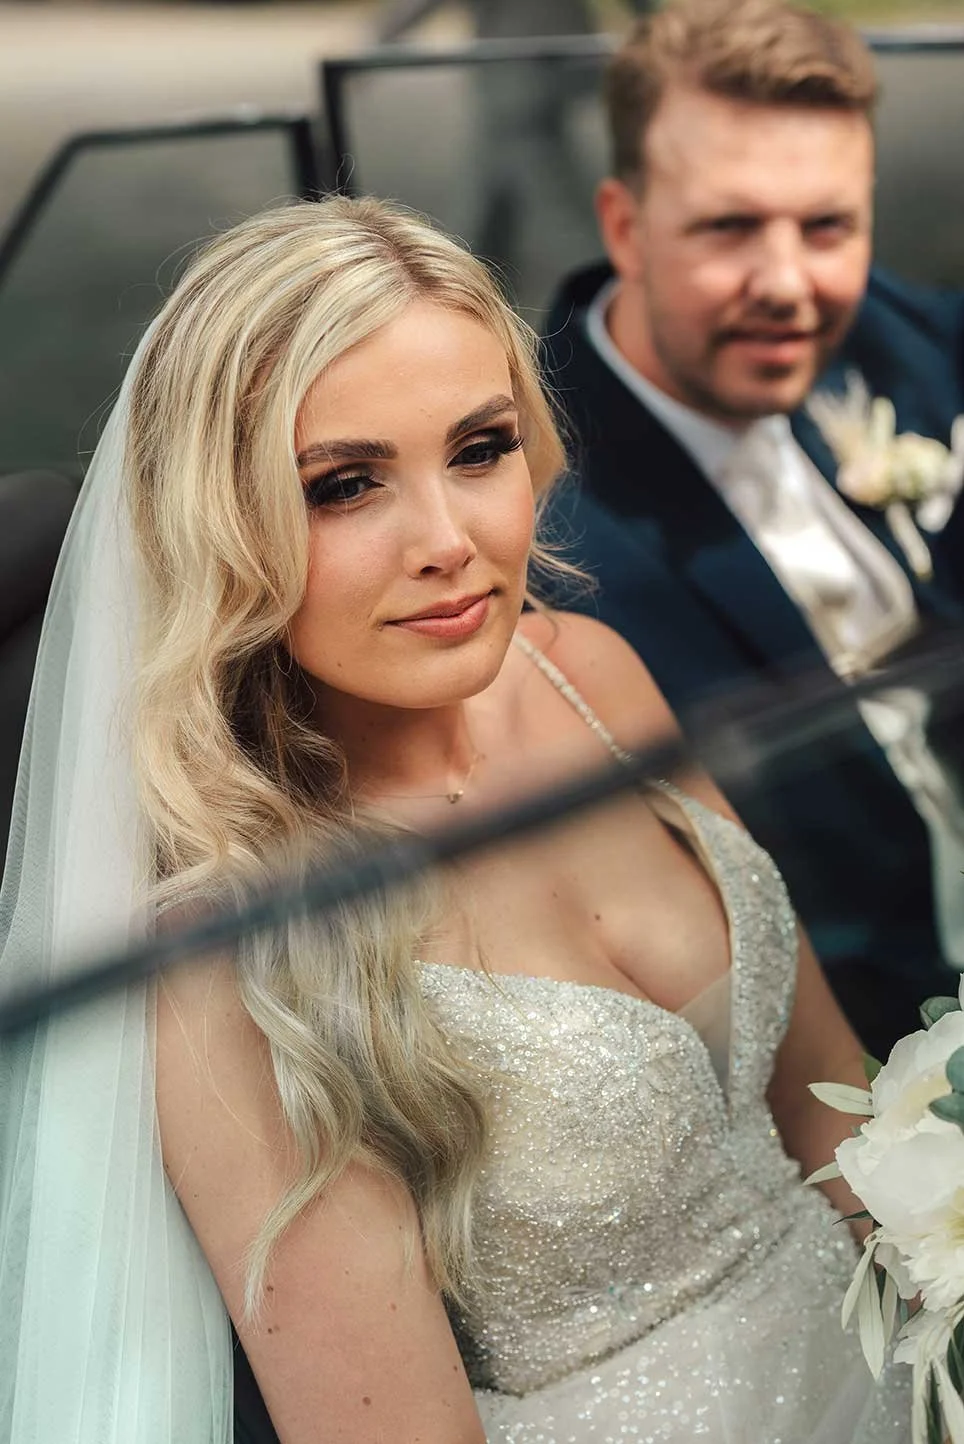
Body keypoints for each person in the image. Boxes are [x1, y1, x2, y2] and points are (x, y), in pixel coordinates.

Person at [0, 195, 910, 1443]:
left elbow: (834, 1106)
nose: (449, 543)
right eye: (345, 485)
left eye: (478, 449)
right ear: (218, 520)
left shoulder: (588, 672)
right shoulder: (226, 950)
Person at [541, 0, 964, 1062]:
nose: (788, 285)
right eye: (728, 227)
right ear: (625, 226)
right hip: (861, 1041)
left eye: (827, 227)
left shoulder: (905, 343)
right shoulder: (543, 521)